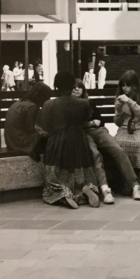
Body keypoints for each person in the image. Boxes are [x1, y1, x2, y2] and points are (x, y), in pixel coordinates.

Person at [73, 79, 140, 202]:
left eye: (79, 87)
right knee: (95, 155)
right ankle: (105, 190)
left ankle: (135, 185)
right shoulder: (69, 105)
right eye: (73, 87)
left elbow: (101, 120)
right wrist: (87, 123)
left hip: (99, 131)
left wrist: (97, 121)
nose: (76, 89)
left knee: (118, 150)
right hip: (83, 134)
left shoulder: (89, 102)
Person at [37, 71, 100, 209]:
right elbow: (84, 120)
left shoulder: (49, 105)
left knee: (53, 177)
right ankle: (86, 188)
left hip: (57, 144)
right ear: (72, 86)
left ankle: (62, 193)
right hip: (79, 142)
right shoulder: (83, 103)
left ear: (56, 86)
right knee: (83, 173)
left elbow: (43, 130)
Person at [114, 70, 140, 195]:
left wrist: (130, 102)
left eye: (128, 85)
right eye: (123, 85)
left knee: (138, 144)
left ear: (135, 85)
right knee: (117, 144)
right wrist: (118, 110)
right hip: (125, 128)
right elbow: (118, 123)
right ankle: (125, 181)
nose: (125, 88)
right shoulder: (120, 97)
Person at [4, 82, 53, 161]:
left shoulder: (19, 102)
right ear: (41, 96)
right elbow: (31, 129)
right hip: (22, 143)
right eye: (47, 97)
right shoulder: (32, 107)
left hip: (11, 142)